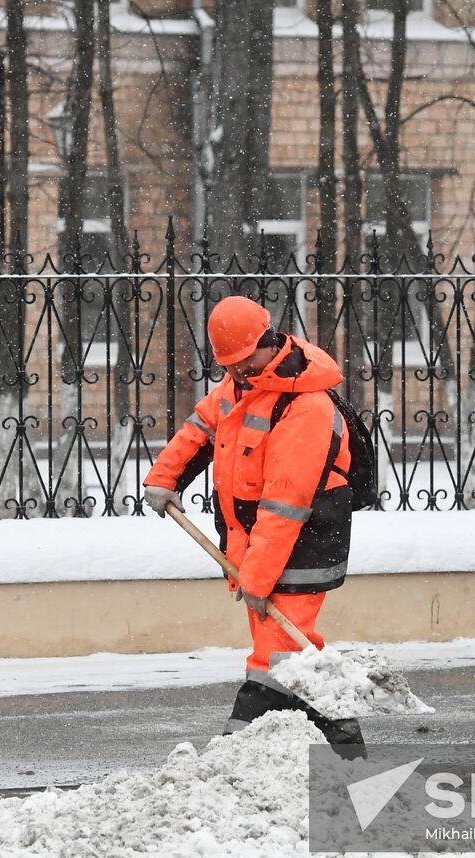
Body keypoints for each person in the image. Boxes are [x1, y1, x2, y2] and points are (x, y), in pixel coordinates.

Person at [143, 295, 362, 750]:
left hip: (306, 540)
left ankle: (235, 750)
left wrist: (258, 578)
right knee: (290, 650)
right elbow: (200, 430)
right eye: (230, 364)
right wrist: (166, 477)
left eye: (245, 360)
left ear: (269, 342)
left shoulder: (306, 406)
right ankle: (343, 741)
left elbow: (286, 506)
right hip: (254, 545)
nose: (239, 371)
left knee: (276, 656)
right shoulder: (240, 386)